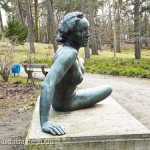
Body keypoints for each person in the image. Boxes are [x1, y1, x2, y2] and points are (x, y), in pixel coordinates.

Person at [40, 12, 112, 136]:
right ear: (70, 33)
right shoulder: (69, 54)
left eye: (87, 30)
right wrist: (45, 121)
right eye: (82, 30)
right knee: (108, 89)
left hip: (67, 99)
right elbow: (47, 84)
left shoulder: (68, 51)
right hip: (66, 104)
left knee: (106, 88)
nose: (87, 34)